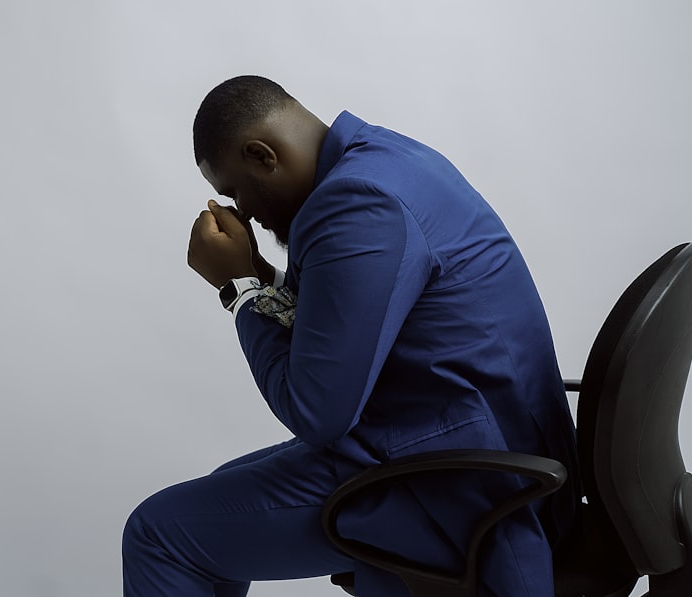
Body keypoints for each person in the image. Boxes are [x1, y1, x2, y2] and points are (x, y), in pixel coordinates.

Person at [122, 75, 580, 596]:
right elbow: (347, 308)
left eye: (235, 191)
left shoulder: (357, 203)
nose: (242, 210)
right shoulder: (381, 160)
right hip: (473, 442)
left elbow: (317, 411)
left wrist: (239, 289)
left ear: (262, 155)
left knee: (157, 534)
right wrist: (257, 269)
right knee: (212, 493)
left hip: (466, 483)